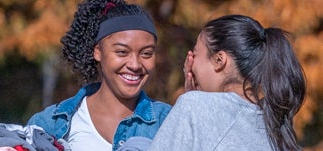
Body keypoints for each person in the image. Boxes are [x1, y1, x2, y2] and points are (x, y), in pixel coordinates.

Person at [27, 0, 171, 151]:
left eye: (146, 53)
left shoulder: (169, 122)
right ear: (98, 52)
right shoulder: (48, 124)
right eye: (122, 52)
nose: (135, 65)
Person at [148, 15, 306, 151]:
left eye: (195, 53)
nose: (189, 64)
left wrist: (193, 103)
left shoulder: (194, 107)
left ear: (219, 60)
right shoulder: (274, 127)